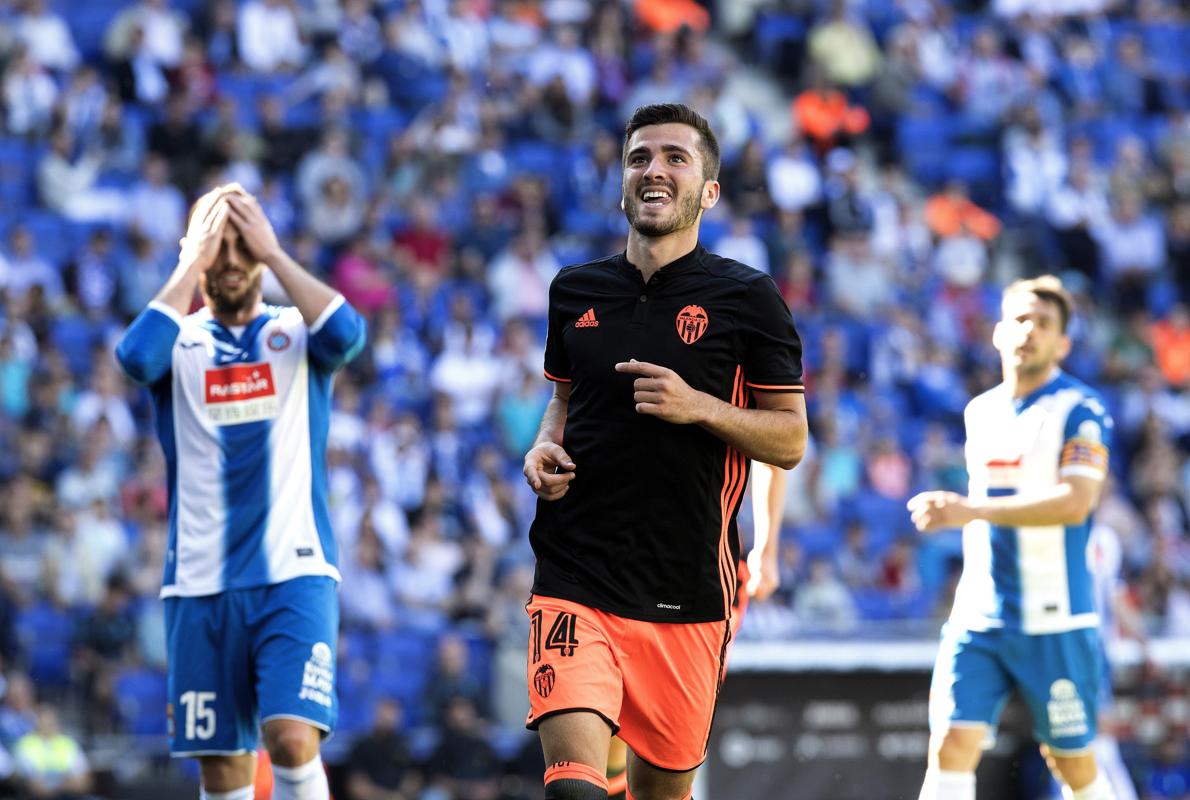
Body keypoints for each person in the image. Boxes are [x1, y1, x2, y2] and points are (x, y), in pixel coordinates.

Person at [522, 103, 808, 800]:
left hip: (687, 589)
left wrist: (699, 407)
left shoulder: (747, 298)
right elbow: (562, 400)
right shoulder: (574, 290)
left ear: (708, 190)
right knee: (574, 789)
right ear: (622, 182)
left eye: (676, 158)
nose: (654, 169)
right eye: (640, 156)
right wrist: (540, 448)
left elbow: (791, 438)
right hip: (575, 571)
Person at [115, 183, 367, 800]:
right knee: (223, 769)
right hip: (200, 582)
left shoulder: (294, 331)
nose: (229, 259)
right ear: (193, 252)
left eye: (241, 244)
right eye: (215, 245)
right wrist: (190, 261)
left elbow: (348, 335)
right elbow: (133, 357)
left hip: (294, 571)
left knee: (289, 737)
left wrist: (276, 255)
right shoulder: (177, 340)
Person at [909, 275, 1116, 800]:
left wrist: (969, 510)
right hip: (980, 614)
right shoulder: (981, 410)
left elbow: (1076, 504)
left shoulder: (1081, 410)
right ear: (999, 331)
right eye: (1020, 319)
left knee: (1071, 762)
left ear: (1063, 344)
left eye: (1044, 324)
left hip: (1055, 615)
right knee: (951, 744)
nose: (1030, 331)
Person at [604, 461, 787, 799]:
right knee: (614, 728)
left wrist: (767, 547)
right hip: (631, 563)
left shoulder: (731, 577)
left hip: (706, 580)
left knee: (658, 742)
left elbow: (777, 445)